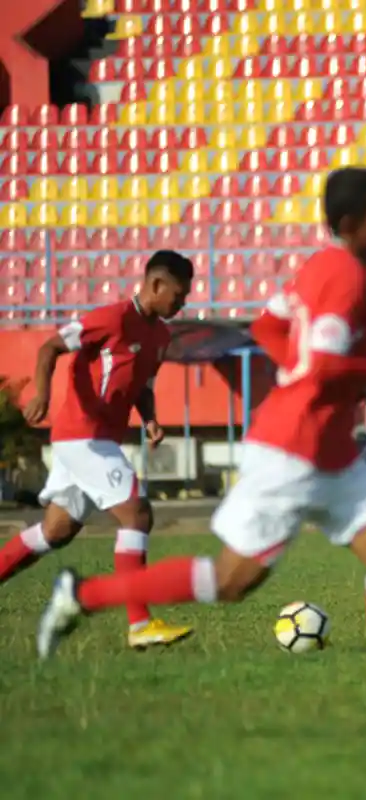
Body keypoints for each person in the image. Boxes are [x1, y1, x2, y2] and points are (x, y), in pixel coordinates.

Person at [35, 168, 366, 740]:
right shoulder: (346, 282)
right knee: (230, 582)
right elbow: (323, 368)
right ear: (350, 223)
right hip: (293, 452)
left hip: (332, 450)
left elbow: (268, 326)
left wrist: (295, 371)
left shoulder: (321, 265)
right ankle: (84, 596)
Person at [0, 251, 194, 649]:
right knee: (137, 514)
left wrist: (150, 417)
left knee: (57, 531)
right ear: (156, 284)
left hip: (97, 440)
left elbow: (141, 385)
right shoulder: (111, 317)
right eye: (179, 294)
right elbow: (50, 348)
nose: (183, 302)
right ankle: (140, 624)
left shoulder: (160, 335)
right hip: (84, 436)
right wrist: (42, 392)